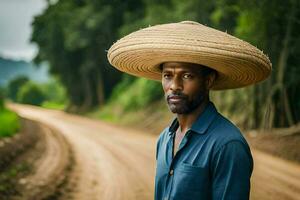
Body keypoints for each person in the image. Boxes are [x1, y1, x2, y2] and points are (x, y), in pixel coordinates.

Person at [107, 21, 271, 200]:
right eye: (168, 76)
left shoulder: (227, 145)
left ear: (208, 81)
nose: (174, 86)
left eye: (187, 76)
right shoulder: (164, 139)